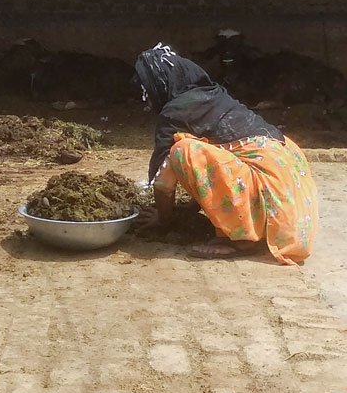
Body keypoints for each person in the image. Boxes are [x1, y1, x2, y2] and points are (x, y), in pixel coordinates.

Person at [132, 44, 318, 264]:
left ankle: (242, 240)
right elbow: (217, 167)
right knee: (196, 152)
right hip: (286, 185)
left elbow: (163, 182)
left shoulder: (175, 112)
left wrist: (163, 218)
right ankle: (250, 225)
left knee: (182, 151)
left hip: (267, 184)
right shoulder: (213, 95)